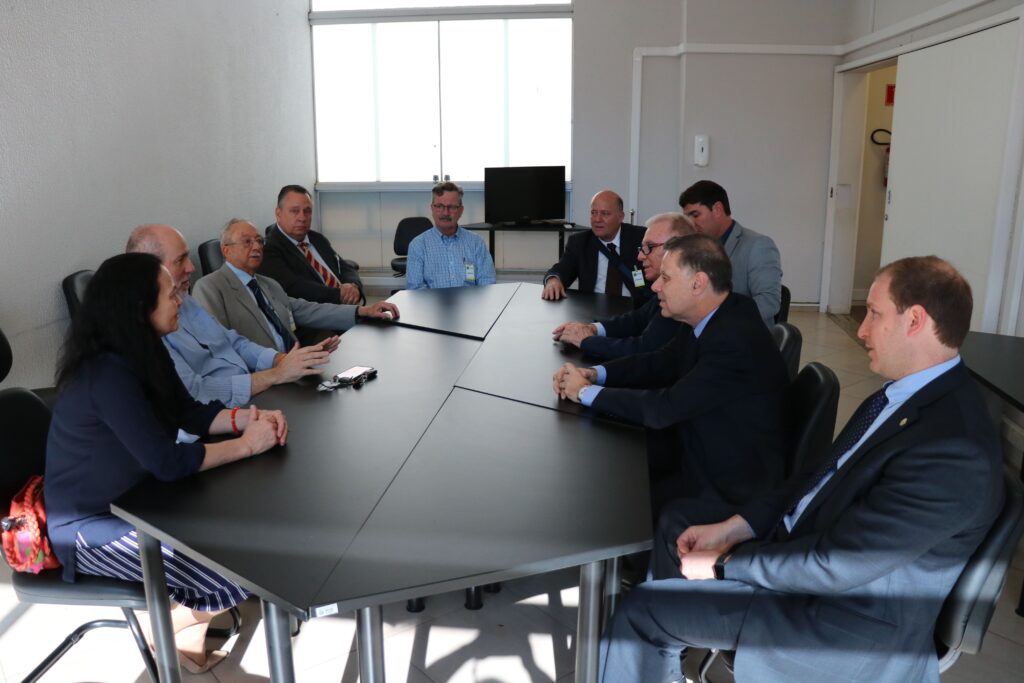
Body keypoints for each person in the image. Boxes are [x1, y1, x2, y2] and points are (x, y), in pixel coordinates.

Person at [599, 256, 1003, 683]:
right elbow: (816, 479)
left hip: (840, 619)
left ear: (916, 320)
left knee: (640, 613)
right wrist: (736, 528)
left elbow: (839, 564)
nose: (862, 329)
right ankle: (673, 647)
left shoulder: (955, 450)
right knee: (678, 520)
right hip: (805, 560)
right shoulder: (902, 396)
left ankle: (664, 630)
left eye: (874, 313)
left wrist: (725, 562)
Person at [44, 253, 289, 673]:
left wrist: (246, 418)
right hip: (89, 527)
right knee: (236, 567)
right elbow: (168, 461)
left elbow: (189, 412)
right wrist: (247, 445)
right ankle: (172, 626)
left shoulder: (146, 350)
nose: (180, 300)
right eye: (171, 294)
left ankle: (179, 622)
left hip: (141, 497)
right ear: (139, 308)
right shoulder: (106, 374)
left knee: (246, 529)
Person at [553, 234, 788, 515]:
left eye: (665, 278)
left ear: (697, 283)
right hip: (701, 444)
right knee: (605, 464)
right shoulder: (719, 313)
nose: (655, 286)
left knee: (606, 494)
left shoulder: (734, 341)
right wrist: (593, 375)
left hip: (729, 484)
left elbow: (665, 407)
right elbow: (660, 362)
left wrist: (583, 392)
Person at [126, 224, 338, 406]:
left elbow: (231, 341)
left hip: (250, 395)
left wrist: (284, 360)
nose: (191, 267)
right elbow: (197, 392)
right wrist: (275, 375)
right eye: (181, 260)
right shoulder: (144, 331)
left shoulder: (186, 300)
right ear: (150, 269)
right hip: (224, 410)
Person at [193, 219, 399, 349]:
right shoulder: (209, 288)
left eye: (258, 241)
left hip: (297, 364)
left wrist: (363, 311)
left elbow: (308, 310)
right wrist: (282, 363)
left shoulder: (267, 284)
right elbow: (220, 348)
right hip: (262, 379)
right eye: (247, 241)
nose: (256, 246)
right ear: (225, 250)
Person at [551, 212, 693, 360]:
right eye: (593, 212)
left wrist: (586, 341)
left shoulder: (681, 294)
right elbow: (638, 319)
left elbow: (644, 349)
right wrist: (591, 329)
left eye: (649, 247)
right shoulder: (581, 241)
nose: (640, 256)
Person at [679, 180, 782, 325]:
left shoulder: (758, 245)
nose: (691, 223)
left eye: (695, 215)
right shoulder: (697, 246)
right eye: (687, 217)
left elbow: (769, 301)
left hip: (744, 336)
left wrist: (719, 319)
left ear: (718, 210)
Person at [259, 184, 364, 305]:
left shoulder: (317, 238)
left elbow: (344, 267)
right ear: (278, 213)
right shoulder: (269, 249)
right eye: (295, 211)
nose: (302, 218)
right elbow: (295, 288)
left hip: (347, 306)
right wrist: (340, 294)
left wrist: (354, 286)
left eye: (307, 211)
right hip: (319, 314)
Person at [541, 190, 645, 301]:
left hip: (634, 309)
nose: (597, 219)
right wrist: (553, 279)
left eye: (605, 213)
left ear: (620, 217)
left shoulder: (640, 238)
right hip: (593, 308)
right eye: (594, 213)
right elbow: (562, 269)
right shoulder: (580, 242)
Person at [406, 181, 497, 289]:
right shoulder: (418, 245)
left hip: (471, 303)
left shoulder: (476, 243)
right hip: (432, 304)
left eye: (452, 207)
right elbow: (416, 288)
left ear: (461, 211)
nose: (445, 213)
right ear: (432, 209)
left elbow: (487, 282)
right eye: (439, 206)